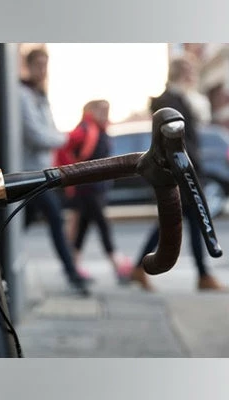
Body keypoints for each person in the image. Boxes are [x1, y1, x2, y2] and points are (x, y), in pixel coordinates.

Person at [130, 55, 226, 292]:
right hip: (178, 172)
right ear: (179, 72)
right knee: (173, 222)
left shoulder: (184, 99)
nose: (192, 75)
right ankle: (199, 275)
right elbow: (172, 142)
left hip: (187, 170)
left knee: (182, 221)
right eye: (189, 70)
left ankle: (201, 274)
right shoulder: (167, 100)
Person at [19, 48, 91, 295]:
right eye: (38, 64)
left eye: (45, 64)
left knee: (22, 223)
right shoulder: (22, 94)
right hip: (30, 173)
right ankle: (72, 274)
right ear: (28, 66)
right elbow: (37, 134)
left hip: (42, 171)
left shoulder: (39, 94)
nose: (43, 69)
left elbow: (47, 130)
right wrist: (65, 139)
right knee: (55, 219)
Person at [55, 100, 133, 284]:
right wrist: (69, 177)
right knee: (102, 225)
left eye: (107, 110)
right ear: (91, 111)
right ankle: (116, 264)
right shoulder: (86, 129)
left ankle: (73, 266)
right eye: (102, 110)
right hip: (88, 188)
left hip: (94, 187)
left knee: (84, 227)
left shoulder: (98, 129)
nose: (105, 114)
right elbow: (63, 148)